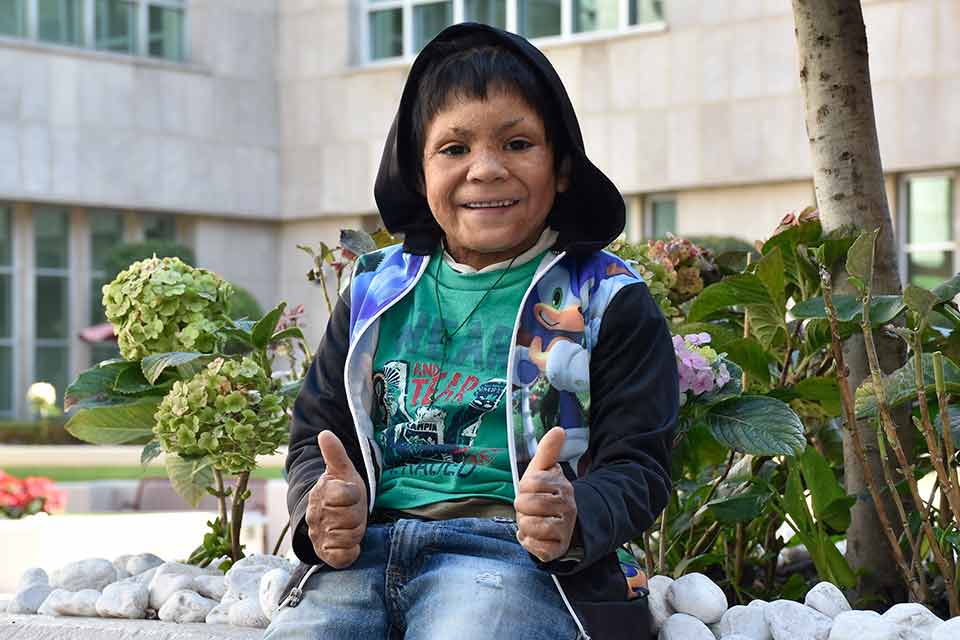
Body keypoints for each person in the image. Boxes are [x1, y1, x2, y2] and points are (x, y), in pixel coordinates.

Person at [265, 22, 678, 640]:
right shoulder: (373, 291)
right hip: (366, 555)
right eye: (454, 149)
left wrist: (576, 513)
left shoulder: (607, 298)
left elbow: (639, 463)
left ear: (562, 167)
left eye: (517, 143)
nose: (485, 170)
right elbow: (312, 443)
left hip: (516, 561)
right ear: (418, 170)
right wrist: (317, 506)